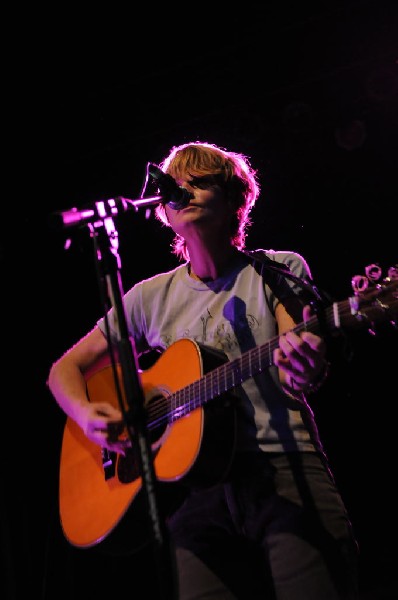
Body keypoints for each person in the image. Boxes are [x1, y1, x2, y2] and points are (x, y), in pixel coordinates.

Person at [47, 141, 359, 599]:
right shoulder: (148, 297)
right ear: (165, 212)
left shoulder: (278, 270)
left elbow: (299, 374)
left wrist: (305, 364)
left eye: (201, 181)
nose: (185, 191)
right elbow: (63, 370)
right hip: (192, 496)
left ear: (235, 198)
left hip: (283, 469)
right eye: (176, 186)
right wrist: (90, 419)